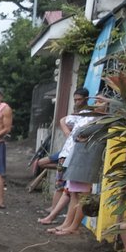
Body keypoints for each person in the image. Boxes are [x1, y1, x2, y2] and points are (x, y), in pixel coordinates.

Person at [50, 97, 108, 236]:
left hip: (87, 161)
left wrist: (81, 136)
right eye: (97, 101)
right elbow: (76, 134)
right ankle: (67, 224)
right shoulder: (90, 117)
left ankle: (74, 226)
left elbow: (80, 133)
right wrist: (80, 135)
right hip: (77, 158)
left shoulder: (104, 120)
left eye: (101, 101)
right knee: (74, 193)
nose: (97, 104)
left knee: (82, 195)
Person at [38, 87, 92, 225]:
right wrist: (67, 132)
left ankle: (58, 218)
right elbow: (63, 120)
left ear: (86, 99)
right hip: (67, 154)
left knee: (68, 190)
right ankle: (58, 218)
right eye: (75, 100)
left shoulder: (90, 115)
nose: (77, 102)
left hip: (76, 156)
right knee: (65, 189)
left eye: (79, 100)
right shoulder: (80, 114)